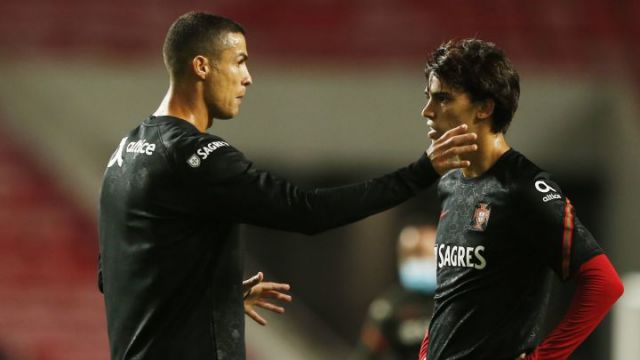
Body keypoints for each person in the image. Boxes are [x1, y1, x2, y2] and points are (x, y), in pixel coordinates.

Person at [97, 12, 478, 360]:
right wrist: (421, 172)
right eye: (240, 61)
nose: (248, 77)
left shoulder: (126, 152)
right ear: (201, 66)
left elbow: (114, 272)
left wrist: (215, 296)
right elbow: (307, 211)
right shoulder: (197, 157)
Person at [417, 39, 624, 360]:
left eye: (442, 98)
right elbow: (450, 295)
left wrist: (545, 358)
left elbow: (604, 283)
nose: (427, 111)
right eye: (428, 98)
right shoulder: (451, 183)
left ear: (484, 108)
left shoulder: (525, 187)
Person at [354, 224, 438, 360]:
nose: (426, 262)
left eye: (430, 256)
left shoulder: (449, 303)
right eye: (417, 255)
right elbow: (365, 354)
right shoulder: (388, 307)